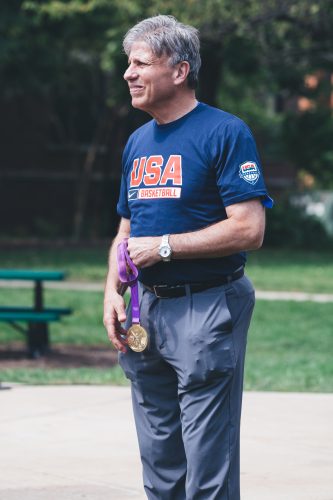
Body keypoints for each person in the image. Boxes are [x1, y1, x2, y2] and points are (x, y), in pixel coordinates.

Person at [104, 14, 273, 500]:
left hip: (207, 304)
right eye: (127, 63)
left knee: (207, 457)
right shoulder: (137, 141)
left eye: (140, 63)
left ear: (179, 71)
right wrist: (111, 295)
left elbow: (249, 228)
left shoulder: (225, 131)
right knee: (159, 453)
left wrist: (164, 248)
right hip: (144, 309)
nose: (128, 74)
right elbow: (126, 228)